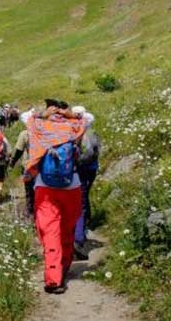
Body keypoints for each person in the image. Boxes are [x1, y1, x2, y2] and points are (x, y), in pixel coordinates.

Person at [23, 99, 89, 294]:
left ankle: (54, 278)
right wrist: (70, 114)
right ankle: (65, 265)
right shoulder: (74, 127)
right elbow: (89, 117)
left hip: (45, 188)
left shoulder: (39, 126)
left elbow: (25, 116)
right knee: (67, 229)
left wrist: (43, 114)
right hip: (72, 186)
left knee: (50, 232)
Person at [72, 106, 101, 259]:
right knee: (82, 199)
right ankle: (81, 232)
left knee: (80, 201)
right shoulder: (91, 133)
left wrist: (77, 163)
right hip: (89, 169)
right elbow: (95, 152)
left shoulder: (73, 132)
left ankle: (78, 236)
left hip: (79, 170)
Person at [10, 127, 34, 219]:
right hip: (43, 167)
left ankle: (30, 212)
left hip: (28, 166)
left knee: (29, 191)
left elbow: (18, 151)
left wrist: (12, 163)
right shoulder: (46, 131)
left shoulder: (25, 133)